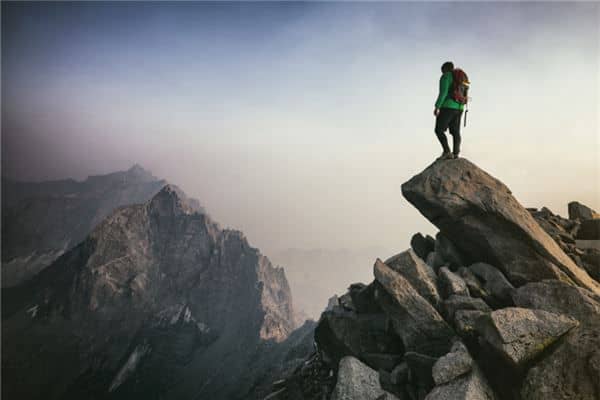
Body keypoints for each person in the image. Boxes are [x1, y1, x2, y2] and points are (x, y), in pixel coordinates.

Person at [434, 61, 464, 160]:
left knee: (439, 130)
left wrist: (437, 106)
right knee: (455, 131)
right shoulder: (461, 78)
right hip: (460, 108)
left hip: (447, 107)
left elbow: (443, 92)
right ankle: (455, 154)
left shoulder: (446, 76)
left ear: (444, 69)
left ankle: (447, 151)